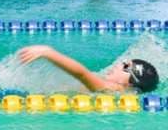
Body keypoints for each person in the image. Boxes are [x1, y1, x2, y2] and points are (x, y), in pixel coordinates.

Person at [18, 45, 159, 93]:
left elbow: (81, 74)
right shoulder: (122, 90)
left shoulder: (110, 89)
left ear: (130, 83)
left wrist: (48, 52)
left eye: (125, 67)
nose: (118, 65)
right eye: (123, 63)